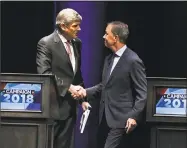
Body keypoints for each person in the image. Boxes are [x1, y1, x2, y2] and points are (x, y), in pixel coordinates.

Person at [76, 21, 147, 148]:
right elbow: (105, 85)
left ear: (115, 38)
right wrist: (85, 92)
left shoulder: (133, 60)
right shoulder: (108, 59)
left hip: (122, 119)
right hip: (105, 118)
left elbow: (142, 93)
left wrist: (134, 117)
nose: (103, 36)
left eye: (106, 33)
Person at [36, 8, 88, 148]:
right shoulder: (46, 43)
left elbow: (76, 74)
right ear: (63, 26)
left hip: (70, 108)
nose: (79, 29)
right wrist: (69, 88)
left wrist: (83, 99)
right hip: (52, 107)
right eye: (75, 26)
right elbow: (44, 74)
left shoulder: (77, 43)